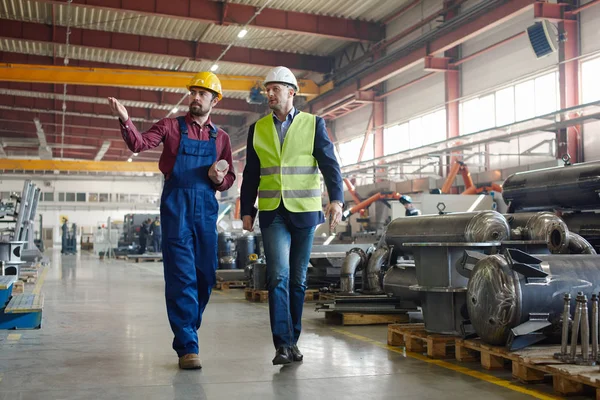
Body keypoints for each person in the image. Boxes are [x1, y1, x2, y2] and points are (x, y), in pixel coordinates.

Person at [107, 71, 235, 370]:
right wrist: (125, 119)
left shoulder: (222, 138)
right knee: (181, 277)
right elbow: (139, 144)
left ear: (214, 100)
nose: (195, 97)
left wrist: (219, 179)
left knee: (205, 275)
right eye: (193, 92)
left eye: (202, 93)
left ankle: (189, 326)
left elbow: (230, 177)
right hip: (176, 206)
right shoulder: (170, 126)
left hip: (205, 208)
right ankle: (187, 345)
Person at [240, 66, 344, 365]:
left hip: (305, 212)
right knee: (278, 277)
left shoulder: (314, 124)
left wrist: (336, 199)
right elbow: (251, 174)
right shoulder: (257, 129)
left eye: (275, 88)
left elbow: (330, 165)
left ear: (291, 92)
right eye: (267, 89)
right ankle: (282, 345)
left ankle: (293, 341)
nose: (269, 93)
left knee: (298, 280)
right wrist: (247, 211)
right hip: (273, 212)